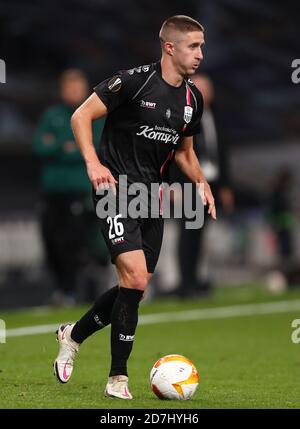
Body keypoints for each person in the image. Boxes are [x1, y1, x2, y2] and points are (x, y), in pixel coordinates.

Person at [53, 15, 216, 399]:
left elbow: (185, 153)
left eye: (202, 46)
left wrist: (202, 183)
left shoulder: (193, 99)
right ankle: (117, 379)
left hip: (152, 198)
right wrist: (93, 163)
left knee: (134, 287)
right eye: (194, 46)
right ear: (170, 47)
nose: (201, 54)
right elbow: (81, 116)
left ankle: (72, 336)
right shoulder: (132, 81)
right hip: (115, 191)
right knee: (137, 279)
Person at [33, 69, 107, 306]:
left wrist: (62, 147)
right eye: (69, 86)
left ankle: (73, 291)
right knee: (51, 240)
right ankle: (61, 289)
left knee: (75, 243)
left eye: (78, 86)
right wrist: (68, 147)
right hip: (52, 191)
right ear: (62, 89)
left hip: (81, 189)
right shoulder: (52, 115)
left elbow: (95, 147)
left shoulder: (94, 113)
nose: (74, 91)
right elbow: (39, 147)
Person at [168, 74, 234, 298]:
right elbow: (172, 154)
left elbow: (221, 153)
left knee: (200, 233)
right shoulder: (180, 116)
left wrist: (225, 186)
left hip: (210, 184)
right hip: (188, 184)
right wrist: (172, 185)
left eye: (209, 87)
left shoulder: (214, 116)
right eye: (201, 87)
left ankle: (195, 280)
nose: (206, 92)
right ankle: (186, 283)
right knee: (188, 233)